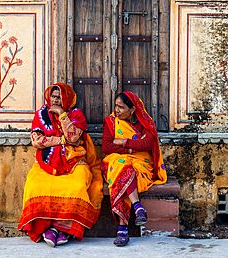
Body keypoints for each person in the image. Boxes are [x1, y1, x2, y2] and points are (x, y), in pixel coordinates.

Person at [18, 83, 103, 247]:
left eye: (60, 97)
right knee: (35, 184)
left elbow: (73, 139)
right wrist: (60, 140)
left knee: (76, 185)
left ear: (68, 100)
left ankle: (63, 229)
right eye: (53, 96)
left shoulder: (76, 115)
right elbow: (37, 141)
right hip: (46, 162)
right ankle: (46, 228)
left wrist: (62, 115)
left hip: (75, 161)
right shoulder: (41, 114)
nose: (55, 100)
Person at [101, 91, 167, 247]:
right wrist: (131, 149)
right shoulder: (111, 122)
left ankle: (122, 228)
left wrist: (123, 142)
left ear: (132, 110)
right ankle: (137, 207)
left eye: (121, 107)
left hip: (141, 163)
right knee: (123, 168)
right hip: (115, 161)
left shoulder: (145, 123)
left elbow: (146, 144)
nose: (116, 110)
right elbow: (106, 147)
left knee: (124, 174)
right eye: (116, 106)